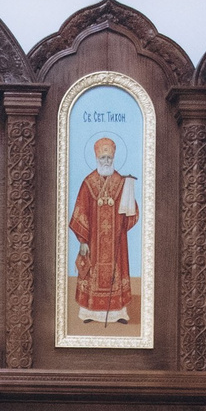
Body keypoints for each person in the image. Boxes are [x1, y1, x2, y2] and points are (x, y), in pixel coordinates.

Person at [68, 135, 139, 326]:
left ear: (113, 159)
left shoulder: (122, 182)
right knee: (92, 271)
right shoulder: (88, 183)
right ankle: (89, 312)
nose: (106, 161)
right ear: (97, 159)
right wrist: (83, 241)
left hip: (116, 240)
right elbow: (80, 210)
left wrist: (130, 197)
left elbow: (131, 214)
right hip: (93, 241)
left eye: (109, 158)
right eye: (103, 158)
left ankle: (118, 313)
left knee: (117, 270)